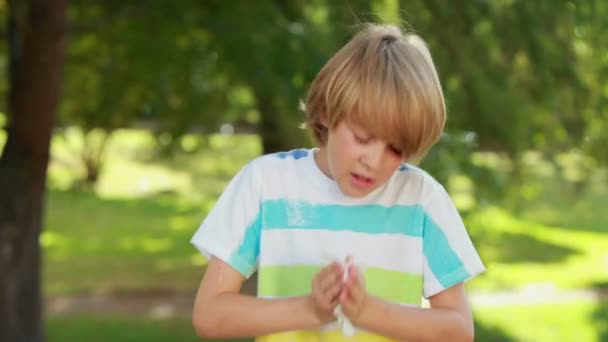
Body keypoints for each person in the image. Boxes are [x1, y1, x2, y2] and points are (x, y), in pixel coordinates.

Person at [190, 23, 485, 341]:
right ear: (329, 112)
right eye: (362, 137)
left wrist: (368, 313)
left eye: (396, 148)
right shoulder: (265, 184)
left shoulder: (422, 200)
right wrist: (309, 310)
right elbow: (210, 315)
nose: (373, 160)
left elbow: (458, 330)